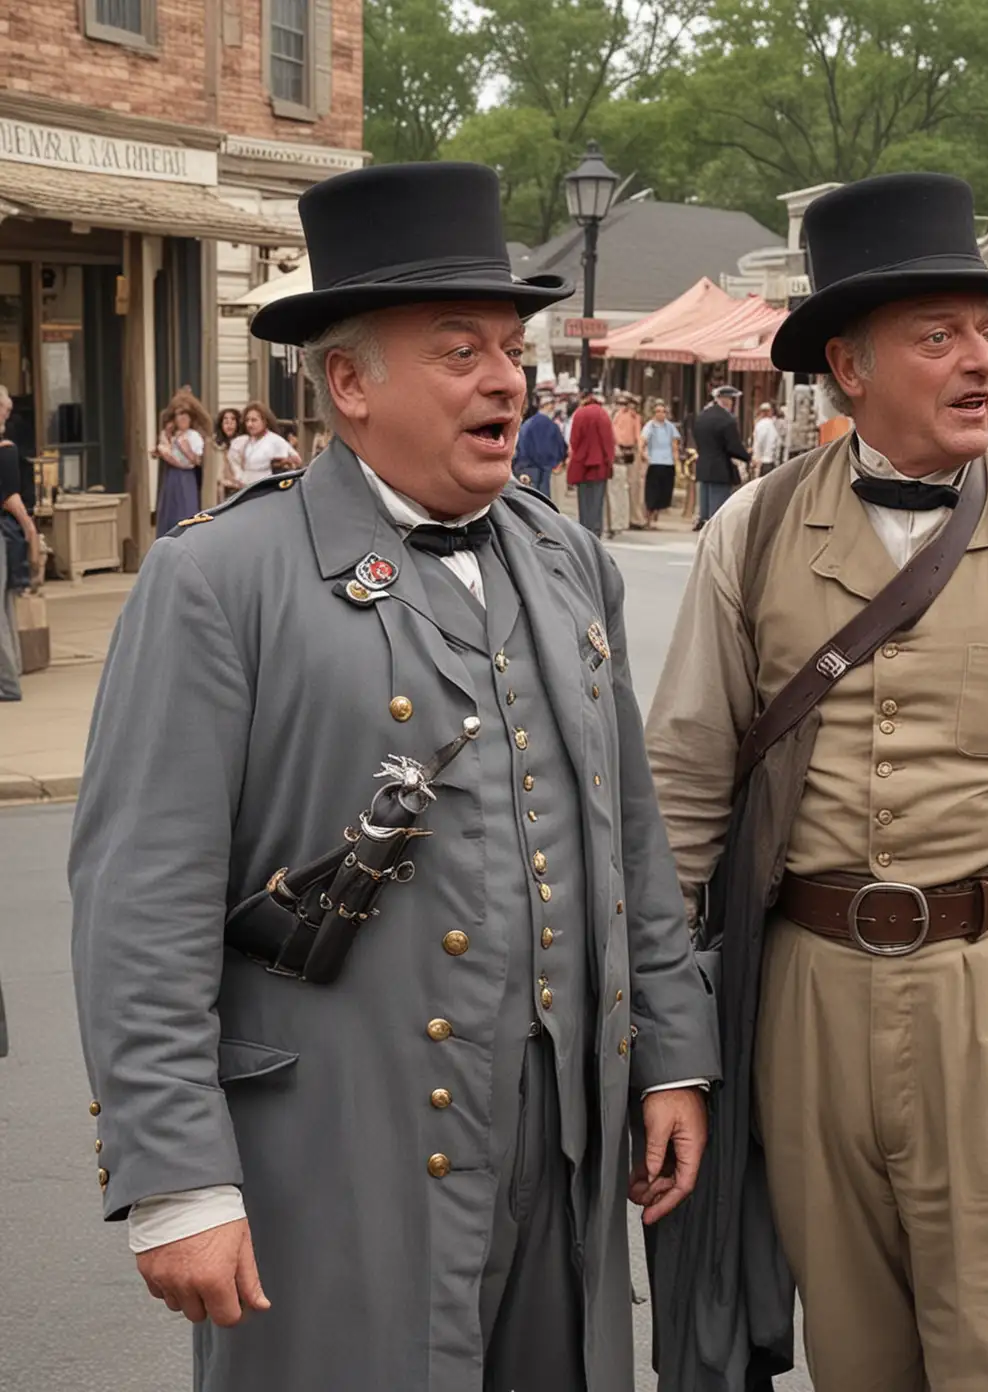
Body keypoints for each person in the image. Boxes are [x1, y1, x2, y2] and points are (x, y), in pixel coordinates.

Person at [68, 160, 719, 1392]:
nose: (505, 377)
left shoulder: (570, 562)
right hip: (336, 1144)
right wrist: (175, 1176)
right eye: (458, 348)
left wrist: (671, 1054)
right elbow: (140, 902)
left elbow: (626, 835)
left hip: (561, 1138)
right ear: (351, 381)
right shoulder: (221, 582)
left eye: (508, 346)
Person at [644, 171, 988, 1391]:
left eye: (986, 331)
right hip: (804, 998)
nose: (986, 361)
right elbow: (680, 787)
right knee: (857, 1360)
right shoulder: (754, 532)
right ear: (850, 365)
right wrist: (672, 1028)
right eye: (941, 336)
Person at [0, 385, 40, 702]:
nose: (6, 414)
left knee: (3, 611)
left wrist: (28, 527)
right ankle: (11, 679)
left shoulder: (5, 448)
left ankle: (9, 684)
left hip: (4, 533)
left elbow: (9, 494)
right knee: (5, 608)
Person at [692, 384, 751, 527]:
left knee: (705, 511)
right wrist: (748, 457)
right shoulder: (727, 420)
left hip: (703, 467)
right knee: (718, 512)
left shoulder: (702, 417)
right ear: (727, 400)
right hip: (720, 469)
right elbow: (733, 446)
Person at [153, 391, 209, 536]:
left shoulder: (194, 436)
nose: (183, 418)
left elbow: (197, 461)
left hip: (186, 477)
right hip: (171, 477)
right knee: (169, 511)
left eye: (186, 414)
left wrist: (186, 450)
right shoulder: (171, 435)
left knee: (186, 511)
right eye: (179, 415)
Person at [564, 384, 615, 536]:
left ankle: (584, 529)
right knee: (597, 500)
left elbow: (574, 440)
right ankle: (596, 529)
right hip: (599, 465)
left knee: (584, 499)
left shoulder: (579, 414)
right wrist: (609, 461)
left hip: (582, 463)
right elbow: (608, 441)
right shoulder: (602, 414)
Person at [228, 402, 299, 489]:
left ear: (265, 421)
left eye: (254, 420)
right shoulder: (244, 442)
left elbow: (291, 466)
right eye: (247, 420)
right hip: (246, 489)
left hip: (267, 490)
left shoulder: (276, 441)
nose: (249, 424)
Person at [513, 391, 567, 501]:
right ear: (547, 406)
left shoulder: (527, 424)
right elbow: (558, 448)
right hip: (544, 473)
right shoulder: (549, 425)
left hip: (525, 470)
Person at [639, 399, 680, 528]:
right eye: (658, 412)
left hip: (667, 462)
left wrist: (676, 461)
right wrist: (644, 455)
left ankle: (656, 514)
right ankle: (649, 517)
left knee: (664, 491)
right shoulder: (650, 426)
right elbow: (642, 441)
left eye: (663, 412)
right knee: (652, 491)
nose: (661, 414)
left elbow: (674, 445)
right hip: (654, 462)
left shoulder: (670, 427)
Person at [612, 391, 644, 527]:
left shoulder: (635, 417)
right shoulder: (617, 415)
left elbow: (638, 436)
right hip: (618, 450)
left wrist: (641, 451)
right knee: (619, 486)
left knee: (633, 486)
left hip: (630, 450)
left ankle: (634, 517)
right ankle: (621, 518)